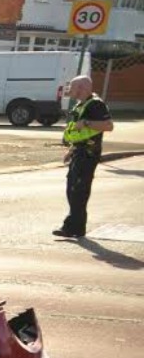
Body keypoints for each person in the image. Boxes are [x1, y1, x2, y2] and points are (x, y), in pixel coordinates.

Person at [54, 75, 112, 239]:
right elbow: (79, 134)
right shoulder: (82, 105)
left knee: (78, 191)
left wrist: (86, 123)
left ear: (82, 88)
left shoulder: (96, 104)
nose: (69, 90)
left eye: (72, 87)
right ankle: (74, 227)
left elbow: (108, 126)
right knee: (72, 190)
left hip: (88, 154)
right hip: (80, 153)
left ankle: (72, 227)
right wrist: (71, 150)